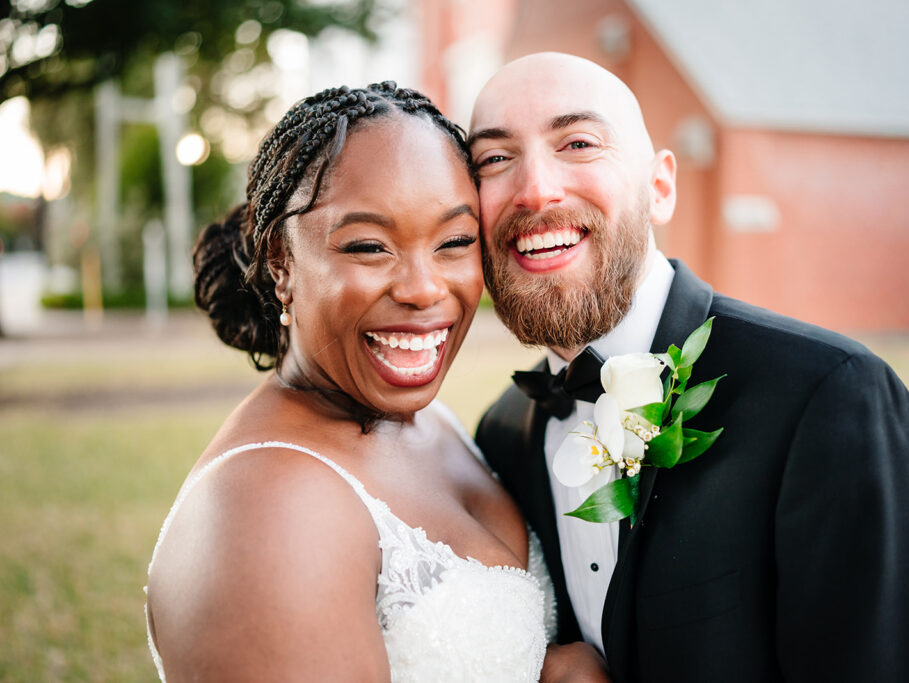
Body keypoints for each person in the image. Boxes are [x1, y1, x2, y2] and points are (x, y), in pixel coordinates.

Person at [471, 52, 909, 682]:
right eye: (493, 159)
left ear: (660, 187)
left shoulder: (830, 397)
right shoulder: (503, 435)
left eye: (578, 142)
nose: (535, 188)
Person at [145, 82, 608, 681]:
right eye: (369, 246)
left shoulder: (428, 421)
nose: (423, 288)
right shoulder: (264, 510)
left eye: (455, 242)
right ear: (281, 262)